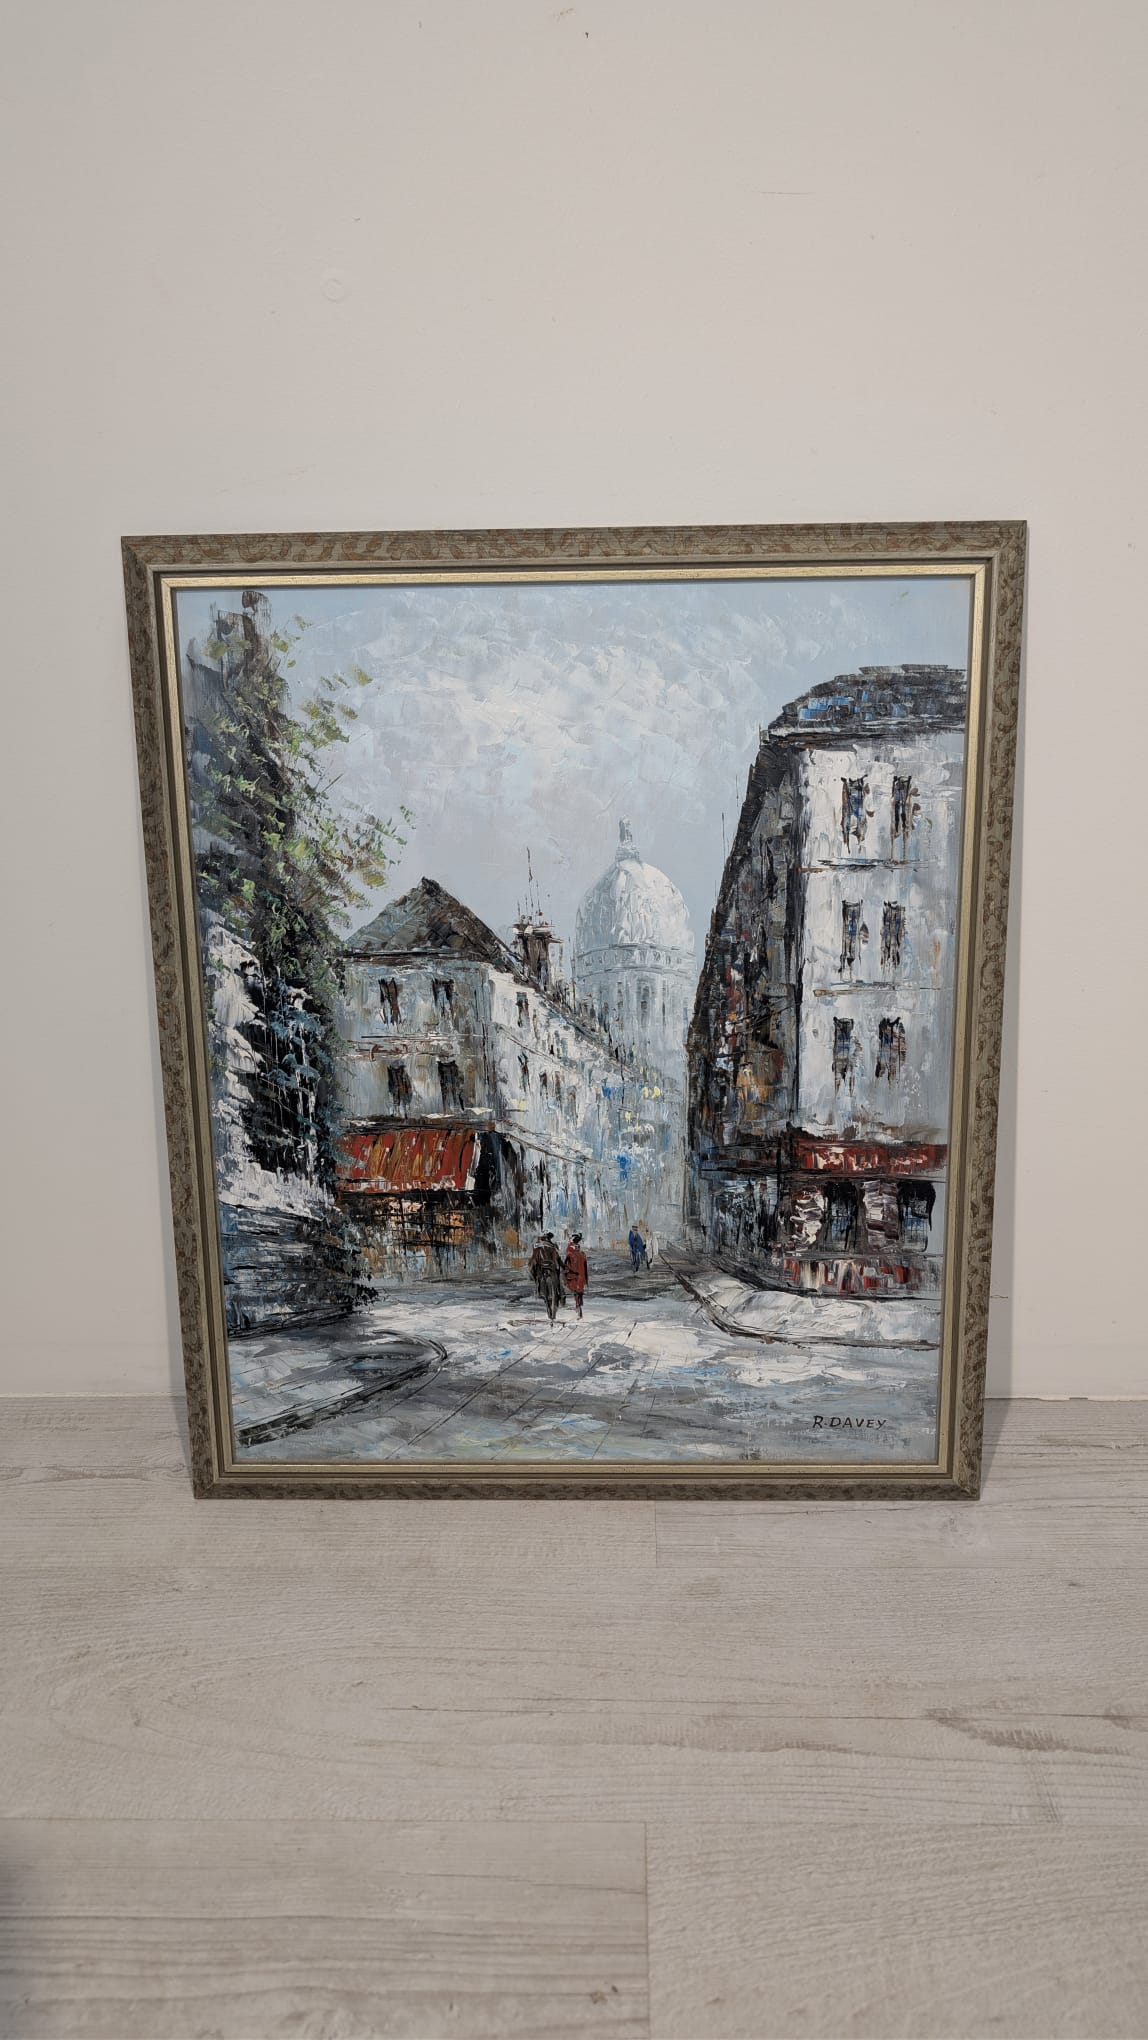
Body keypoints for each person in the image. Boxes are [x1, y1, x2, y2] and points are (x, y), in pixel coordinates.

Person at [529, 1232, 565, 1322]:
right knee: (558, 1281)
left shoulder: (537, 1246)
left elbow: (534, 1260)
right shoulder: (553, 1246)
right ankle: (561, 1294)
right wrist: (563, 1266)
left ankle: (538, 1288)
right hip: (552, 1269)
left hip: (541, 1270)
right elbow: (558, 1259)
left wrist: (533, 1271)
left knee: (534, 1273)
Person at [563, 1233, 588, 1318]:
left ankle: (578, 1304)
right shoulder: (582, 1253)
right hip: (580, 1275)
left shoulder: (570, 1249)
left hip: (574, 1274)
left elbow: (566, 1261)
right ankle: (579, 1304)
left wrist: (565, 1270)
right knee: (579, 1290)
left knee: (575, 1289)